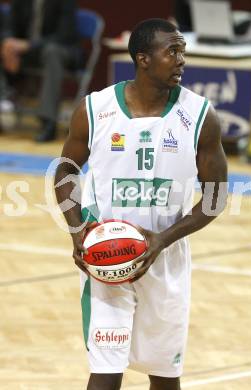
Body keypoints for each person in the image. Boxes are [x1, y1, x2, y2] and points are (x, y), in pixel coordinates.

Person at [55, 18, 228, 390]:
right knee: (105, 372)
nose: (182, 60)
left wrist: (162, 239)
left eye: (182, 51)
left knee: (165, 378)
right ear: (143, 59)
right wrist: (77, 233)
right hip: (106, 258)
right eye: (173, 51)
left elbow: (216, 197)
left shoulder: (199, 116)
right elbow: (65, 172)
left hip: (166, 261)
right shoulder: (95, 109)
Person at [1, 0, 81, 142]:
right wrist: (8, 43)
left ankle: (48, 122)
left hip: (62, 51)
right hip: (29, 53)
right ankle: (4, 103)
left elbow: (64, 35)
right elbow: (9, 25)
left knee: (52, 53)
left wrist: (29, 45)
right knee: (5, 47)